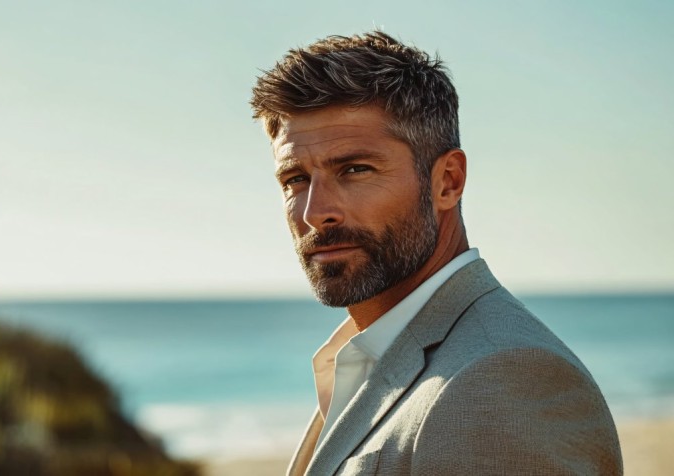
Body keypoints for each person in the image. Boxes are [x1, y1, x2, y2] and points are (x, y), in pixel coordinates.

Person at [249, 32, 622, 475]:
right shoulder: (365, 357)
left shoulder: (501, 381)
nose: (316, 213)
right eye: (295, 179)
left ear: (447, 181)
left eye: (355, 169)